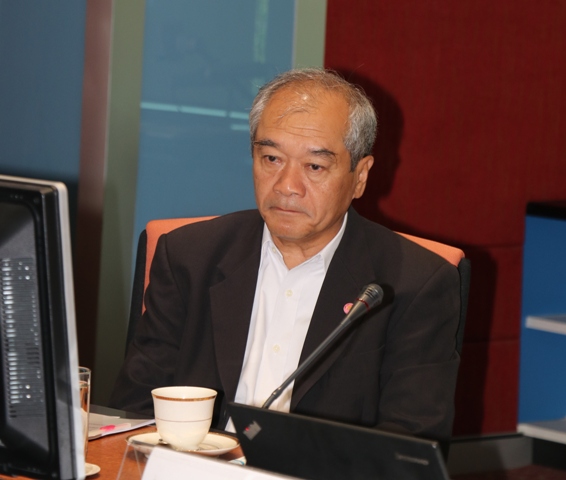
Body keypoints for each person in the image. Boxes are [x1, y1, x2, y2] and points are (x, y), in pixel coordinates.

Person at [109, 68, 461, 442]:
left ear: (360, 176)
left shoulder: (412, 284)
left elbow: (408, 443)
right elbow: (135, 412)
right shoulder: (190, 257)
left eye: (315, 166)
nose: (287, 186)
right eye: (272, 158)